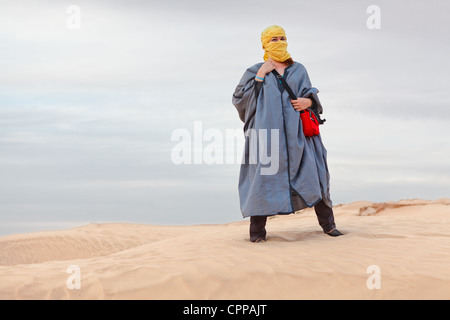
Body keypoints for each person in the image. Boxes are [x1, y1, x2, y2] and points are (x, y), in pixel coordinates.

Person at [232, 25, 343, 243]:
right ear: (264, 44)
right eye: (274, 39)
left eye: (282, 38)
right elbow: (239, 100)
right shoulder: (255, 70)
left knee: (314, 176)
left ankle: (329, 226)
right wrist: (260, 77)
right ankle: (257, 233)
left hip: (299, 137)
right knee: (261, 181)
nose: (279, 42)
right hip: (266, 138)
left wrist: (308, 101)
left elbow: (310, 94)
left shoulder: (298, 69)